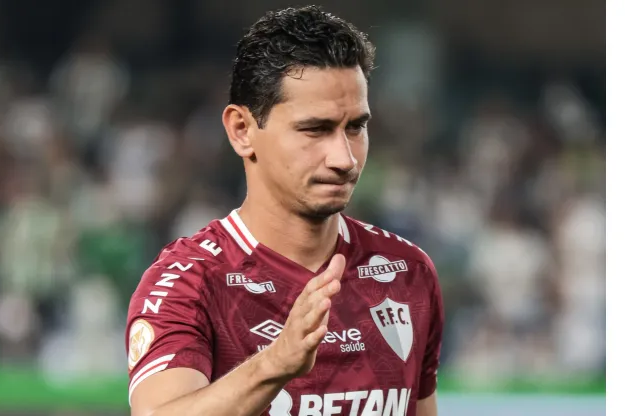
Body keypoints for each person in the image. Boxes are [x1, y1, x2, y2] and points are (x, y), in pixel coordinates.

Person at [126, 6, 444, 416]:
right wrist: (276, 364)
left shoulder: (406, 272)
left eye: (356, 127)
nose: (344, 158)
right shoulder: (190, 283)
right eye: (316, 129)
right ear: (242, 130)